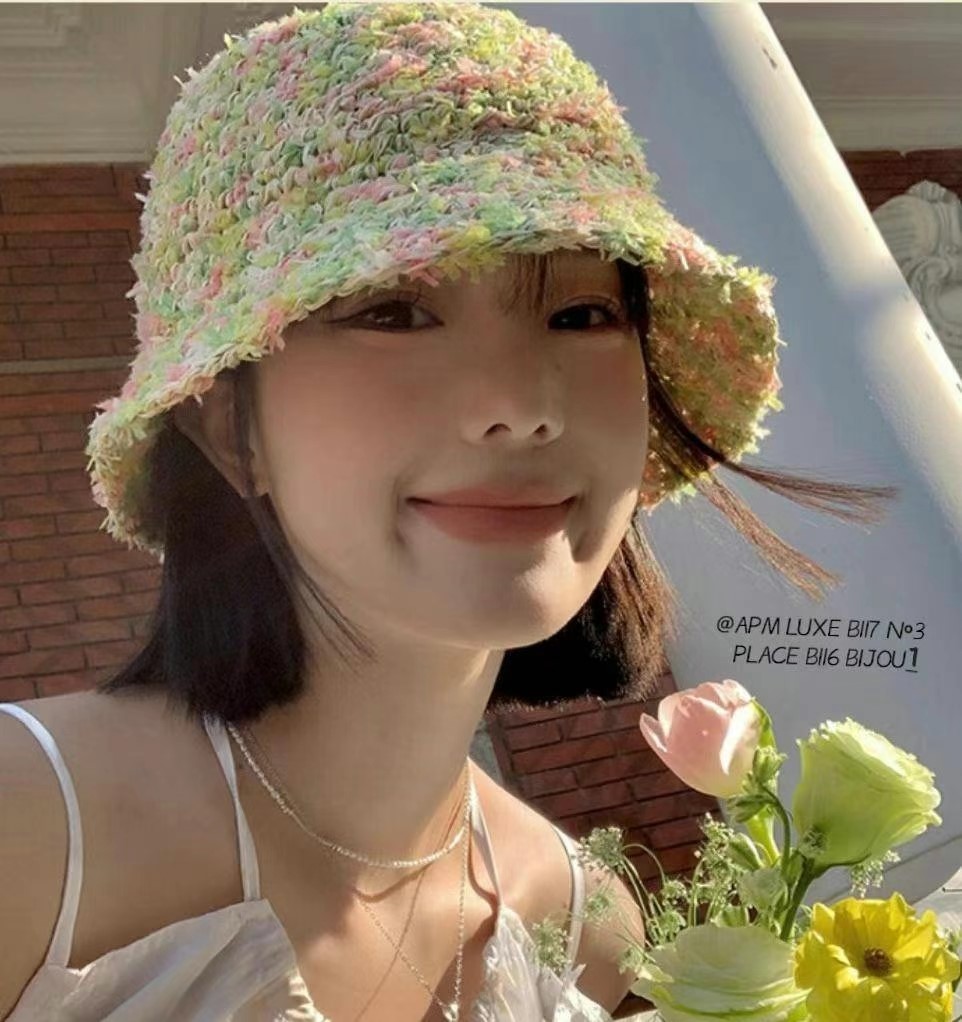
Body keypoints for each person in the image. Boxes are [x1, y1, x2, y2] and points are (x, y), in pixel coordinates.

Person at [0, 3, 897, 1020]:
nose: (521, 405)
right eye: (393, 311)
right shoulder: (29, 827)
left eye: (582, 313)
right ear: (227, 430)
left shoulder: (589, 928)